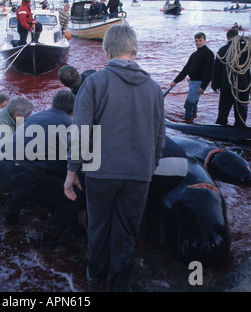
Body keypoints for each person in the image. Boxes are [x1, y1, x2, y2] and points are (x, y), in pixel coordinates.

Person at [63, 24, 165, 291]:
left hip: (102, 172)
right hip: (139, 174)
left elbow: (81, 131)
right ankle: (120, 282)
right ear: (134, 49)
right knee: (127, 230)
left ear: (107, 50)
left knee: (99, 227)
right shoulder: (154, 88)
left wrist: (72, 171)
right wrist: (149, 167)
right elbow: (159, 136)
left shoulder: (94, 82)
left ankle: (96, 276)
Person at [0, 90, 86, 250]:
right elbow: (74, 160)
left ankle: (10, 218)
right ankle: (48, 244)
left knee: (26, 173)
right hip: (20, 173)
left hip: (0, 166)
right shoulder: (68, 125)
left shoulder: (34, 116)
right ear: (73, 110)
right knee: (73, 199)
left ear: (53, 104)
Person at [212, 29, 251, 128]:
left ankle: (219, 135)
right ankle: (240, 134)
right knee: (241, 114)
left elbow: (216, 69)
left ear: (227, 37)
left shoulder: (223, 50)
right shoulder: (246, 49)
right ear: (238, 36)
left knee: (223, 113)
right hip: (243, 87)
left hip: (227, 86)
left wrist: (215, 85)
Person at [171, 32, 214, 123]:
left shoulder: (208, 53)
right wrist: (176, 81)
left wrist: (203, 86)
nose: (198, 42)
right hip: (192, 82)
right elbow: (186, 69)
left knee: (188, 104)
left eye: (200, 40)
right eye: (196, 41)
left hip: (199, 83)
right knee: (193, 104)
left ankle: (187, 121)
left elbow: (209, 72)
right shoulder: (194, 54)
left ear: (205, 40)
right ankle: (193, 119)